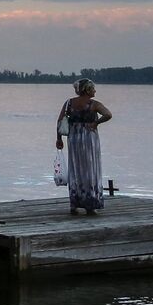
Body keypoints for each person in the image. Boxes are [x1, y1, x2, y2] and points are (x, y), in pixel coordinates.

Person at [56, 79, 114, 214]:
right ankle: (90, 204)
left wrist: (59, 138)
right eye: (93, 89)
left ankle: (74, 203)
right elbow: (108, 115)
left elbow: (60, 121)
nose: (95, 91)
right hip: (89, 138)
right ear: (88, 90)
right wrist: (96, 123)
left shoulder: (69, 103)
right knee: (90, 169)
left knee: (76, 169)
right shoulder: (94, 104)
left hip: (74, 138)